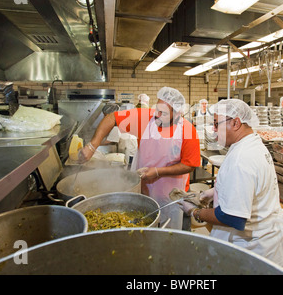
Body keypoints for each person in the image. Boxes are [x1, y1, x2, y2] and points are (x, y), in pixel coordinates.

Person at [179, 99, 283, 274]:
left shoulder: (241, 159)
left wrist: (195, 212)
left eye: (215, 124)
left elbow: (232, 217)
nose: (213, 129)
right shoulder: (253, 144)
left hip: (254, 250)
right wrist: (214, 192)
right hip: (265, 239)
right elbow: (251, 185)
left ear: (235, 122)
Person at [77, 87, 201, 229]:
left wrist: (157, 171)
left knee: (168, 234)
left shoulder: (187, 130)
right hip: (143, 189)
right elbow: (112, 118)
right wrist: (92, 146)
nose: (158, 114)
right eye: (157, 109)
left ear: (177, 113)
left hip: (171, 195)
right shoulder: (145, 118)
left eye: (164, 113)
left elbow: (189, 164)